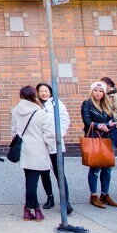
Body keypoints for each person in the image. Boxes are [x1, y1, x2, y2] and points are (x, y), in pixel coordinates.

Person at [10, 86, 56, 221]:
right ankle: (27, 209)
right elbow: (49, 134)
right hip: (39, 150)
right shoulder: (40, 112)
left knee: (29, 180)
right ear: (34, 96)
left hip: (24, 149)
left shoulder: (16, 111)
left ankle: (35, 209)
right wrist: (52, 148)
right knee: (32, 182)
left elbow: (14, 132)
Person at [81, 81, 117, 209]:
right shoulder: (87, 104)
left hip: (107, 138)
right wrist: (99, 126)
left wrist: (109, 125)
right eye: (95, 90)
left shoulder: (106, 106)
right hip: (95, 138)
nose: (98, 93)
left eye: (100, 91)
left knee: (107, 167)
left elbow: (111, 121)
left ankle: (105, 194)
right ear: (92, 91)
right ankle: (94, 195)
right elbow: (87, 122)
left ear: (104, 93)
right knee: (96, 167)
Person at [36, 82, 72, 214]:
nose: (44, 93)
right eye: (41, 91)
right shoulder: (36, 104)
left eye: (46, 91)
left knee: (59, 172)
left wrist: (59, 134)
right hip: (41, 143)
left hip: (56, 142)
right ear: (38, 93)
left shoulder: (57, 103)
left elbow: (64, 119)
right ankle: (50, 197)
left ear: (50, 92)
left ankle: (65, 200)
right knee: (44, 172)